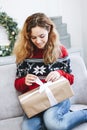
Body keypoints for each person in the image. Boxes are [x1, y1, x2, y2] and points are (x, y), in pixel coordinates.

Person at [13, 12, 87, 130]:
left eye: (42, 36)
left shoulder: (60, 51)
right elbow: (18, 84)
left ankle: (84, 114)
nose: (38, 41)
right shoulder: (24, 54)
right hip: (35, 102)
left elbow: (71, 79)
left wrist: (60, 73)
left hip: (57, 98)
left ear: (49, 31)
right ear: (28, 37)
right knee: (28, 128)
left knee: (53, 124)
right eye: (33, 37)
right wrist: (24, 81)